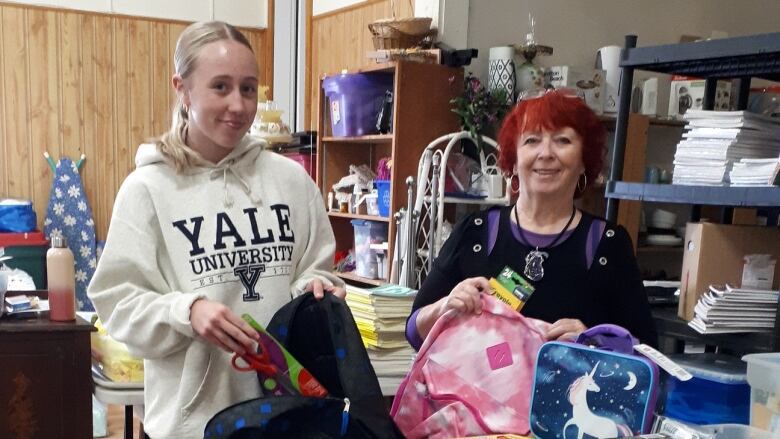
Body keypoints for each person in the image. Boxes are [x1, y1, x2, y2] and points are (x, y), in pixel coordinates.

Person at [88, 21, 344, 439]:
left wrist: (317, 291)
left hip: (287, 415)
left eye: (248, 89)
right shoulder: (147, 189)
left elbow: (315, 271)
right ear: (183, 89)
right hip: (191, 425)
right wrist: (186, 311)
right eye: (220, 87)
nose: (238, 105)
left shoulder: (292, 181)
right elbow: (118, 304)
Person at [406, 89, 656, 350]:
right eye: (532, 141)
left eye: (562, 140)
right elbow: (414, 331)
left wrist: (595, 343)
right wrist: (443, 307)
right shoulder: (475, 233)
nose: (546, 153)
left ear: (584, 160)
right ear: (513, 161)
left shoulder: (608, 244)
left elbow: (648, 351)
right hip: (473, 391)